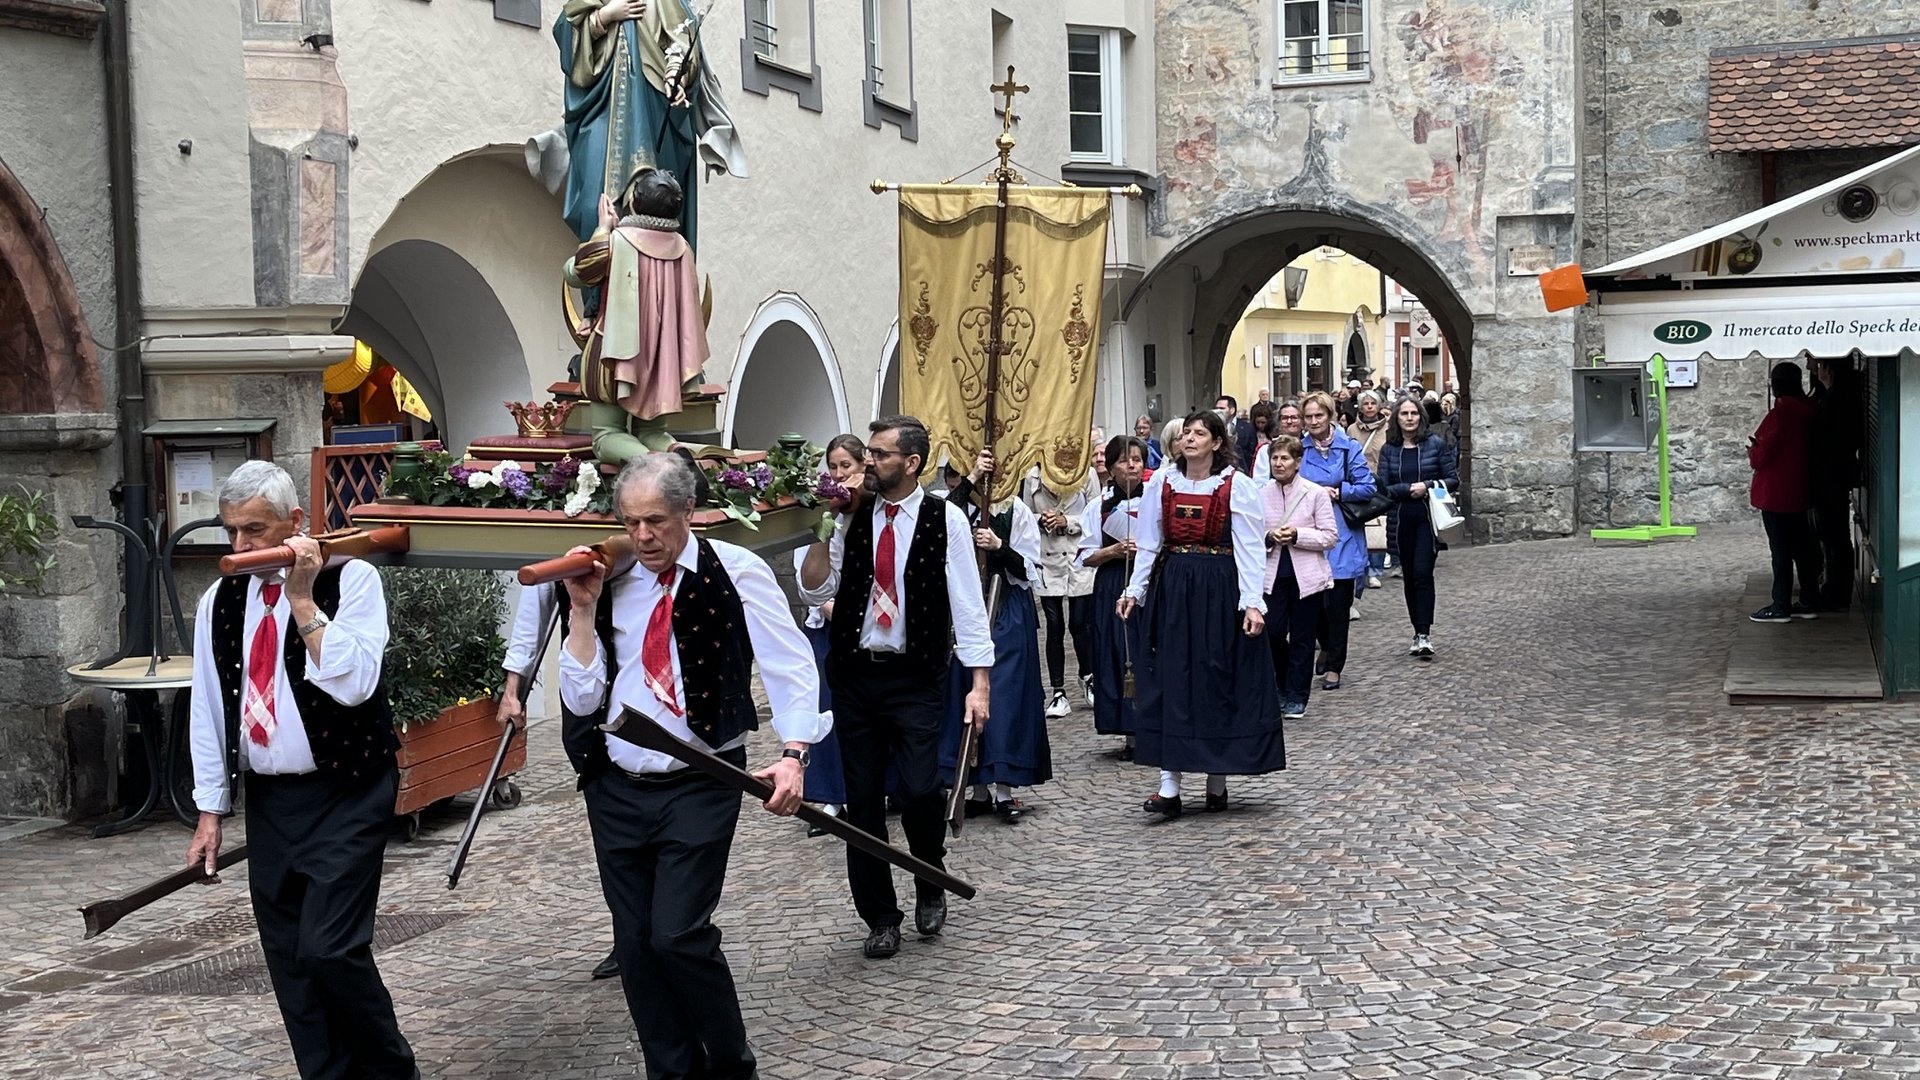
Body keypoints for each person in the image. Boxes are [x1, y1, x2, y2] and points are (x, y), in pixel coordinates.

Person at [556, 453, 824, 1080]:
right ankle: (671, 1072)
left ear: (688, 513)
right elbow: (581, 700)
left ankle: (732, 1067)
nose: (643, 536)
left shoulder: (738, 571)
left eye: (655, 521)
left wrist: (793, 756)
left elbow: (791, 666)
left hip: (705, 779)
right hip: (616, 786)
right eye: (630, 522)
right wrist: (584, 613)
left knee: (676, 933)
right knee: (636, 946)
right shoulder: (608, 577)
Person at [185, 461, 419, 1080]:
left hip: (348, 787)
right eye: (232, 531)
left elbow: (353, 686)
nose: (240, 547)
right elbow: (211, 707)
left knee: (331, 949)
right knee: (290, 958)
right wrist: (211, 810)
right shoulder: (220, 599)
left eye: (255, 531)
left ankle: (392, 1073)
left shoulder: (355, 579)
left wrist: (300, 597)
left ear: (295, 523)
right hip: (271, 800)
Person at [797, 415, 993, 959]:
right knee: (861, 804)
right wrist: (821, 524)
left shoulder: (943, 517)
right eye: (868, 456)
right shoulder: (849, 519)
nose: (868, 464)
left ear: (910, 463)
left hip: (916, 676)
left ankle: (929, 879)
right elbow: (817, 591)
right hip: (857, 676)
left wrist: (979, 684)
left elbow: (968, 604)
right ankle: (880, 916)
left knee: (917, 790)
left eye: (879, 455)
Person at [1117, 411, 1285, 819]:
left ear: (1216, 442)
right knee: (1172, 678)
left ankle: (1217, 779)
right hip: (1174, 587)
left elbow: (1248, 547)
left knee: (1214, 676)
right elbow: (1149, 542)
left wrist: (1252, 601)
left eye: (1199, 434)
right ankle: (1168, 787)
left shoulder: (1236, 486)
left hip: (1218, 586)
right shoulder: (1161, 482)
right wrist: (1134, 590)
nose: (1190, 439)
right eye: (1186, 433)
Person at [552, 0, 746, 248]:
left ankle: (655, 281)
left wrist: (677, 75)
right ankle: (602, 278)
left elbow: (683, 42)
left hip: (653, 110)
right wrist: (604, 16)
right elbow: (567, 30)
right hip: (601, 108)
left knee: (655, 203)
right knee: (595, 205)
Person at [942, 453, 1050, 821]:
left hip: (1005, 608)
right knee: (964, 696)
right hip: (966, 612)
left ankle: (1004, 789)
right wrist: (970, 477)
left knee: (1004, 697)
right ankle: (977, 788)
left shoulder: (1015, 511)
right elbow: (941, 521)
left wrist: (999, 547)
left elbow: (1029, 567)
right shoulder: (954, 510)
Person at [794, 434, 865, 835]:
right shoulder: (820, 515)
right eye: (834, 467)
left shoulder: (868, 512)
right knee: (828, 710)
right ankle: (832, 794)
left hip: (867, 629)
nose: (839, 475)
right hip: (830, 626)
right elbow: (811, 583)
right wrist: (833, 609)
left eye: (846, 467)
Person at [1297, 391, 1375, 691]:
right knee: (1313, 603)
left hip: (1341, 530)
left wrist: (1339, 491)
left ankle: (1335, 666)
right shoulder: (1300, 449)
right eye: (1309, 417)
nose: (1314, 422)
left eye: (1319, 416)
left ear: (1330, 416)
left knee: (1339, 604)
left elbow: (1366, 486)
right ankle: (1326, 644)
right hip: (1308, 531)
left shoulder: (1348, 448)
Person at [1078, 436, 1149, 759]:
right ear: (1110, 466)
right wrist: (1113, 550)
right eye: (1124, 460)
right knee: (1119, 654)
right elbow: (1085, 557)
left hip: (1149, 582)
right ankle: (1131, 732)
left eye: (1137, 459)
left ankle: (1155, 726)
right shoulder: (1100, 506)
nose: (1131, 466)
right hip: (1112, 581)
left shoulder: (1156, 501)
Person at [1261, 436, 1338, 721]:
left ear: (1298, 463)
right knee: (1273, 632)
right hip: (1272, 575)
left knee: (1304, 637)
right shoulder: (1261, 494)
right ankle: (1281, 685)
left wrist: (1297, 535)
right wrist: (1270, 536)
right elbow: (1249, 533)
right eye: (1275, 458)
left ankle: (1297, 695)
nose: (1279, 463)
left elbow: (1330, 536)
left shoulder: (1314, 493)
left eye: (1285, 458)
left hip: (1306, 576)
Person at [1378, 396, 1460, 657]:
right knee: (1410, 577)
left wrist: (1427, 486)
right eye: (1404, 414)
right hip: (1401, 519)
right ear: (1397, 418)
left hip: (1427, 517)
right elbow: (1382, 487)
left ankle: (1425, 633)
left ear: (1421, 417)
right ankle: (1416, 629)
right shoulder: (1389, 449)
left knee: (1423, 573)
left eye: (1414, 413)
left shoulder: (1435, 444)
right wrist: (1406, 489)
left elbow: (1452, 479)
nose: (1410, 418)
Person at [1021, 457, 1100, 718]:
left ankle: (1087, 675)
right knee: (1054, 625)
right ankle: (1057, 691)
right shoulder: (1033, 476)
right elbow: (1025, 514)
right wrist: (1041, 519)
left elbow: (1096, 514)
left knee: (1080, 622)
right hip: (1048, 555)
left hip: (1078, 556)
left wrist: (1068, 521)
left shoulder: (1086, 474)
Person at [1747, 361, 1820, 623]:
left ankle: (1780, 606)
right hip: (1800, 489)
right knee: (1802, 548)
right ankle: (1809, 600)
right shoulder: (1809, 411)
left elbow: (1761, 456)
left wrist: (1752, 451)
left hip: (1775, 492)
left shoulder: (1780, 415)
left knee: (1780, 552)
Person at [1808, 357, 1863, 611]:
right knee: (1831, 535)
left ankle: (1838, 593)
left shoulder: (1837, 398)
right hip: (1832, 474)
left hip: (1832, 475)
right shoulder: (1835, 396)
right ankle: (1834, 588)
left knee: (1835, 536)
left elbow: (1825, 432)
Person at [1347, 390, 1393, 588]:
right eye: (1365, 404)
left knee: (1377, 525)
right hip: (1358, 482)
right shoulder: (1351, 430)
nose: (1369, 407)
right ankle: (1361, 568)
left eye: (1372, 403)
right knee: (1359, 525)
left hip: (1379, 481)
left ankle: (1375, 569)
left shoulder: (1389, 429)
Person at [1217, 394, 1255, 475]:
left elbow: (1252, 452)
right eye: (1216, 409)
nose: (1218, 412)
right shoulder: (1212, 428)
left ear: (1232, 410)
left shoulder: (1247, 428)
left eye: (1222, 408)